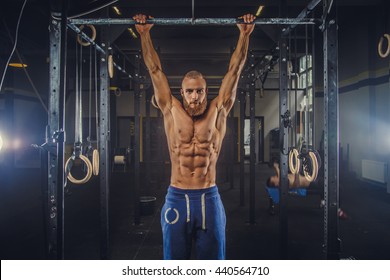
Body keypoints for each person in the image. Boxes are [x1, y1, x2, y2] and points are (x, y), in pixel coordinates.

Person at [133, 13, 255, 260]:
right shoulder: (170, 108)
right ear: (182, 92)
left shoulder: (219, 108)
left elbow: (235, 69)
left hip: (208, 196)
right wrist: (144, 34)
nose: (195, 97)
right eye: (190, 92)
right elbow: (154, 69)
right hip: (176, 196)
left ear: (206, 91)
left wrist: (244, 34)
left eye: (199, 91)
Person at [265, 162, 348, 219]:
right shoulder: (282, 183)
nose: (275, 177)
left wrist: (275, 166)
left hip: (312, 177)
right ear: (275, 184)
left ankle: (323, 201)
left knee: (331, 181)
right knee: (338, 187)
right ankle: (337, 210)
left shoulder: (279, 177)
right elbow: (296, 184)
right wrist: (296, 172)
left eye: (274, 176)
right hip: (312, 183)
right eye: (274, 179)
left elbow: (277, 171)